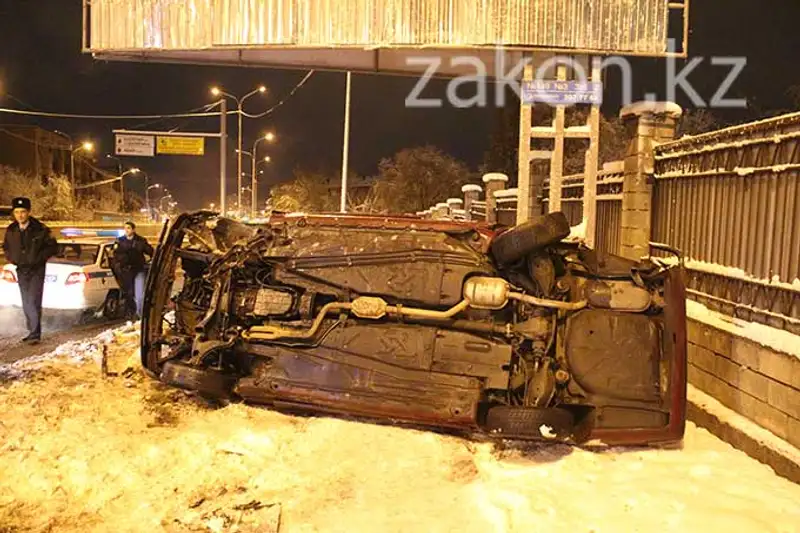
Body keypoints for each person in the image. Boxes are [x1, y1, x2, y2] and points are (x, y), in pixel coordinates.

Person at [2, 197, 58, 343]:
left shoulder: (40, 229)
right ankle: (32, 330)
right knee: (26, 301)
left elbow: (52, 246)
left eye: (23, 212)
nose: (20, 215)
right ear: (13, 213)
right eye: (17, 212)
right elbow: (6, 247)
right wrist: (13, 259)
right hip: (21, 269)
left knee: (33, 300)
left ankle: (35, 333)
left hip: (36, 270)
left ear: (29, 212)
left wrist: (39, 259)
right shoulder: (11, 230)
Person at [111, 221, 154, 319]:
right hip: (126, 271)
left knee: (139, 295)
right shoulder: (120, 241)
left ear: (133, 230)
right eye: (125, 228)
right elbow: (115, 254)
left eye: (129, 228)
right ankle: (130, 314)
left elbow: (151, 251)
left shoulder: (140, 240)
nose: (126, 230)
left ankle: (140, 315)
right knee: (128, 294)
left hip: (138, 269)